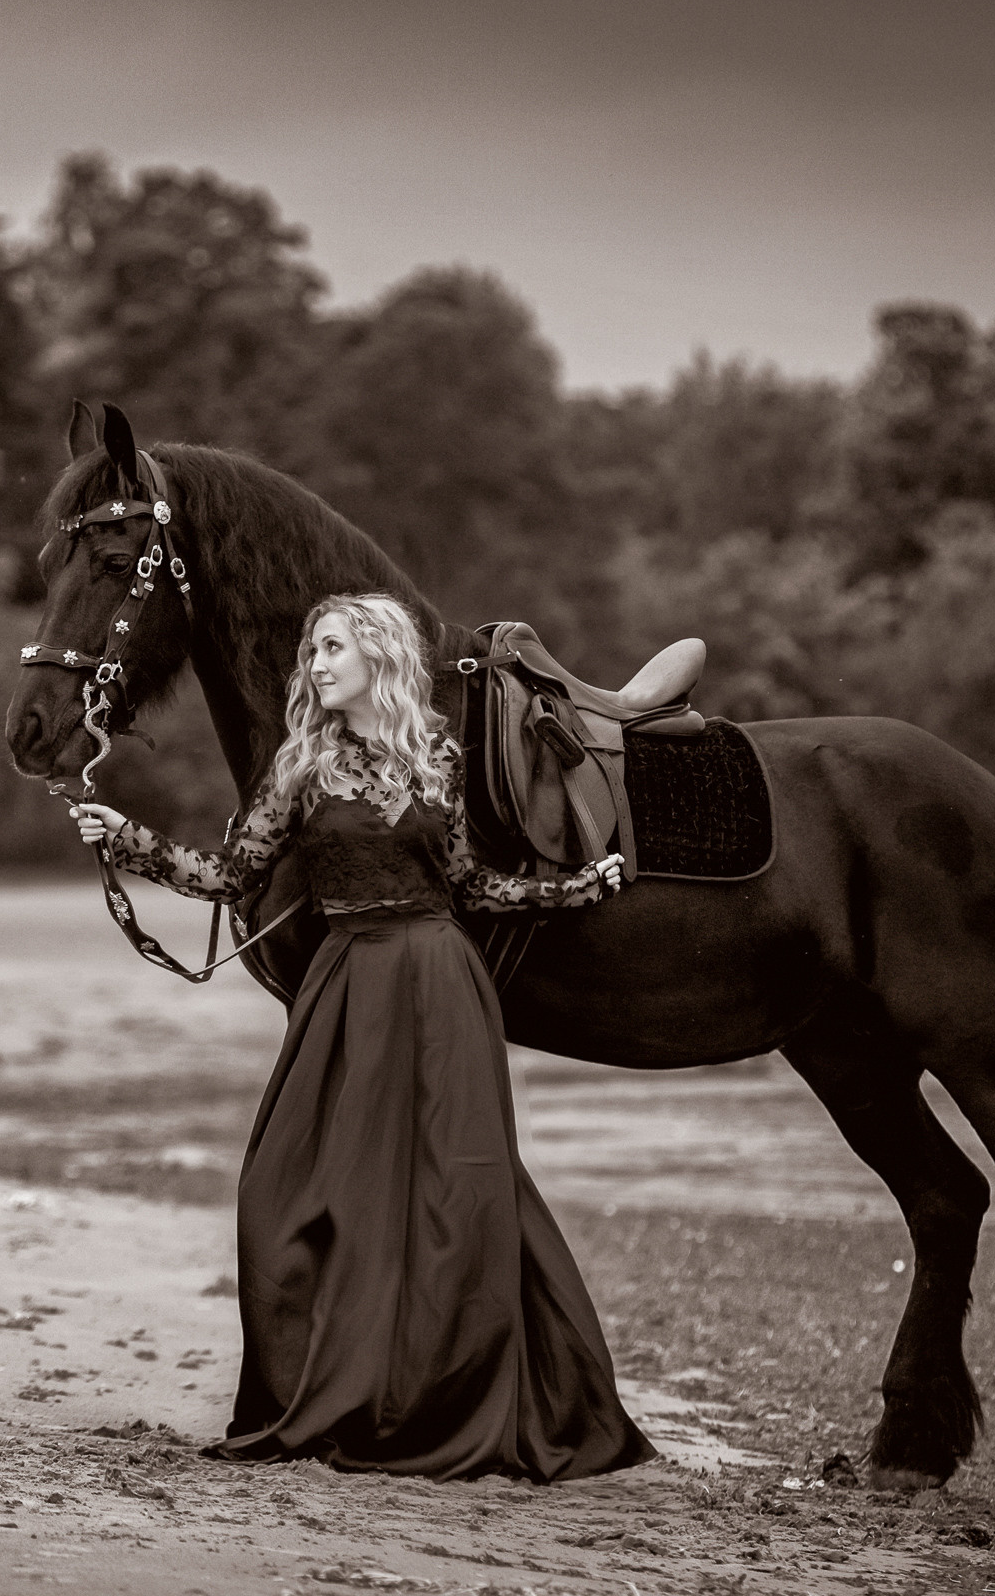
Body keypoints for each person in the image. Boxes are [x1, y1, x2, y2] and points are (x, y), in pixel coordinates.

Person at [70, 592, 654, 1483]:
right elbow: (231, 875)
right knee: (290, 1188)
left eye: (333, 647)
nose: (316, 664)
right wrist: (129, 841)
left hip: (442, 983)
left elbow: (470, 886)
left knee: (458, 1193)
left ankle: (455, 1393)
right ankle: (337, 1383)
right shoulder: (299, 767)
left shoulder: (436, 761)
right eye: (312, 650)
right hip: (348, 987)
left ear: (378, 655)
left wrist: (570, 890)